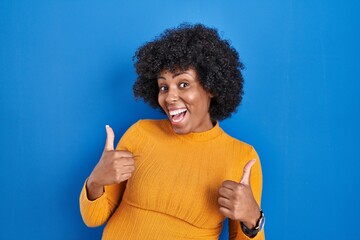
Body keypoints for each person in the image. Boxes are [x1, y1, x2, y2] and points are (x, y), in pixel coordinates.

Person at [79, 23, 265, 240]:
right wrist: (95, 181)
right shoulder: (141, 133)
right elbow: (93, 218)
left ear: (212, 87)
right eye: (163, 87)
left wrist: (252, 218)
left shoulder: (241, 157)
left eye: (183, 84)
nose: (169, 97)